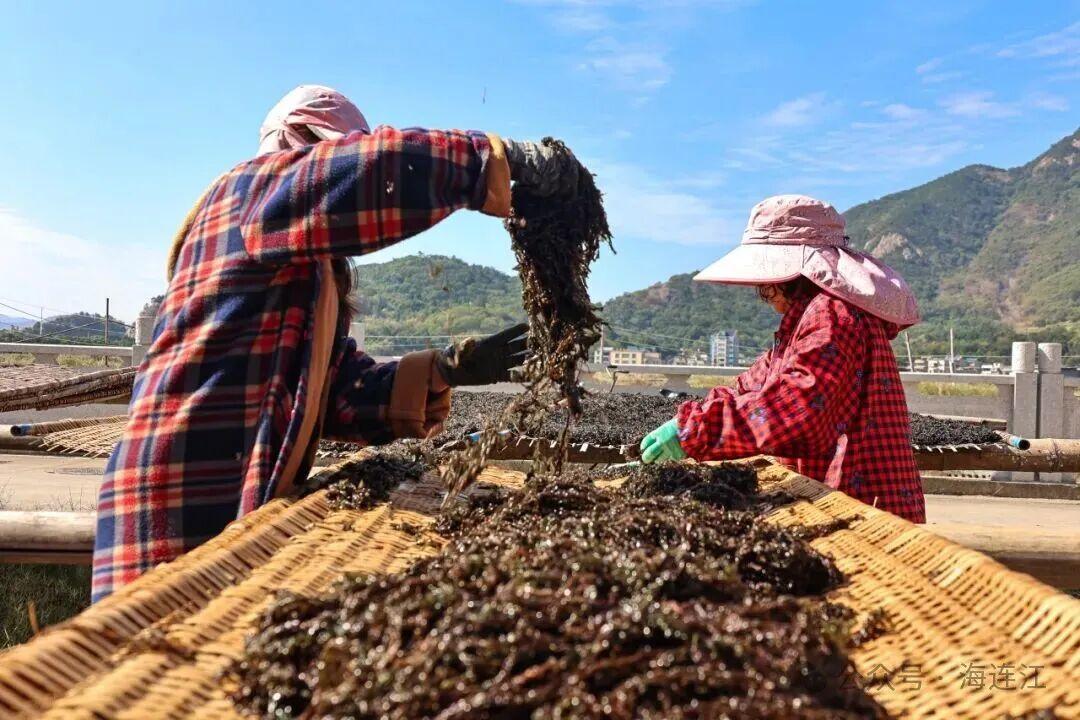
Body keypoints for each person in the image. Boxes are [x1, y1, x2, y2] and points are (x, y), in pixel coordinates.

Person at [92, 85, 577, 601]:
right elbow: (368, 174)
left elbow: (330, 389)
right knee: (143, 657)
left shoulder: (299, 264)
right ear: (289, 142)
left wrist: (446, 368)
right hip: (172, 504)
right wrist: (496, 162)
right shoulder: (248, 192)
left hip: (233, 511)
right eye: (321, 150)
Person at [639, 195, 925, 523]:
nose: (765, 293)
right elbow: (752, 386)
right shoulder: (804, 320)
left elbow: (796, 407)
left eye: (768, 286)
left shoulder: (832, 314)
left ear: (792, 277)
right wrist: (684, 423)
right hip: (849, 498)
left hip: (867, 506)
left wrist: (695, 431)